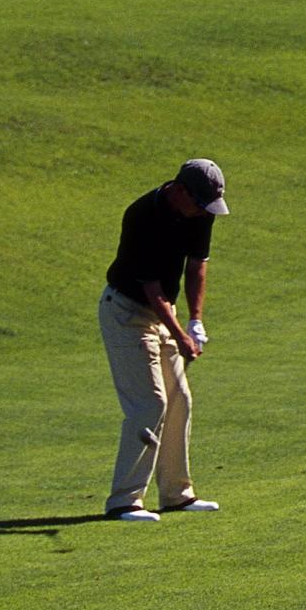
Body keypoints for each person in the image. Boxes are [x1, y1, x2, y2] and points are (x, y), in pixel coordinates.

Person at [99, 158, 230, 522]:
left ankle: (177, 494)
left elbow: (197, 265)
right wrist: (180, 336)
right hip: (126, 313)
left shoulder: (201, 210)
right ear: (179, 190)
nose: (205, 211)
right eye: (200, 203)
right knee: (149, 403)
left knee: (179, 399)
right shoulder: (143, 215)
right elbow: (152, 288)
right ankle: (124, 501)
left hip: (163, 312)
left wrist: (195, 320)